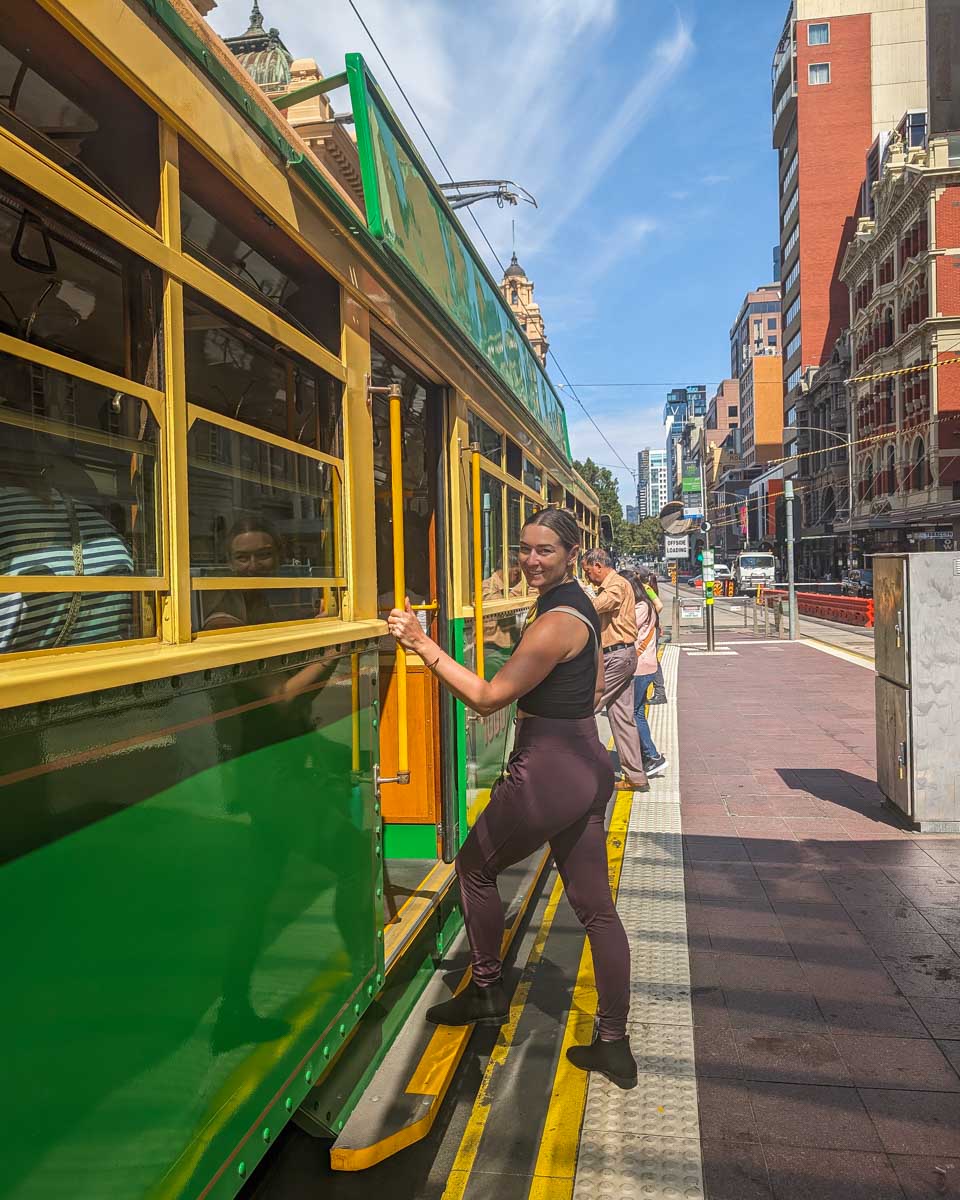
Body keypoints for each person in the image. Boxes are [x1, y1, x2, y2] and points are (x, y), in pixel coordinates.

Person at [388, 508, 637, 1089]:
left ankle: (486, 988)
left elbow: (485, 697)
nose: (530, 560)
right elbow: (595, 683)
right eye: (523, 548)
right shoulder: (578, 605)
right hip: (585, 759)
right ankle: (613, 1042)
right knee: (596, 909)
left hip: (549, 766)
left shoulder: (556, 619)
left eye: (544, 550)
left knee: (474, 865)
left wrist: (422, 642)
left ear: (573, 553)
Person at [581, 549, 649, 792]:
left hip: (617, 656)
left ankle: (576, 767)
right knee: (622, 717)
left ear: (598, 565)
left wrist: (581, 596)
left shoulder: (616, 585)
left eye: (588, 572)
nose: (588, 577)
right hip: (621, 656)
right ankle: (635, 776)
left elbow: (598, 605)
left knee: (587, 706)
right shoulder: (613, 584)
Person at [623, 572, 668, 778]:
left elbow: (626, 628)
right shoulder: (643, 605)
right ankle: (646, 754)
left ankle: (653, 755)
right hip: (644, 666)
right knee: (638, 712)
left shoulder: (641, 607)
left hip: (641, 667)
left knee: (632, 714)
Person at [202, 517, 282, 630]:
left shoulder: (279, 594)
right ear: (230, 562)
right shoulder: (223, 610)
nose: (253, 566)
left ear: (279, 557)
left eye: (263, 554)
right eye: (242, 557)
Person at [641, 569, 668, 704]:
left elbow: (659, 605)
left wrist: (649, 619)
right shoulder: (643, 588)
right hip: (653, 628)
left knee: (652, 660)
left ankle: (659, 692)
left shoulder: (645, 588)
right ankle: (646, 692)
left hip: (650, 629)